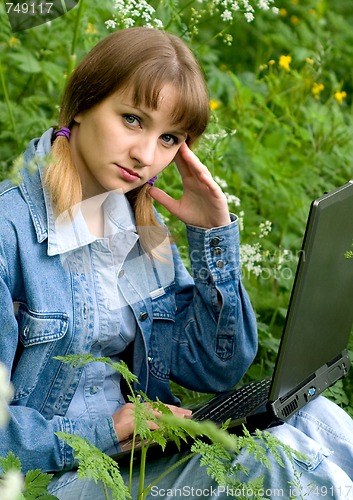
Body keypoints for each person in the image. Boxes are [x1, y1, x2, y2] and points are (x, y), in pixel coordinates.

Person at [0, 27, 352, 499]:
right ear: (82, 105)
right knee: (278, 463)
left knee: (319, 419)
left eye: (169, 138)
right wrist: (109, 429)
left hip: (139, 455)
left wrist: (213, 237)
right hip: (55, 475)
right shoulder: (10, 231)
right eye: (131, 119)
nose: (145, 156)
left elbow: (213, 368)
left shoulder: (138, 226)